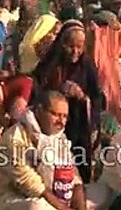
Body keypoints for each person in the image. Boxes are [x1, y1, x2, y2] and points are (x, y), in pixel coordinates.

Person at [35, 20, 102, 182]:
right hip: (53, 128)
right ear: (61, 44)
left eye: (79, 47)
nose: (75, 51)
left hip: (79, 127)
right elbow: (37, 93)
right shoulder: (48, 66)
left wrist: (81, 96)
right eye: (70, 46)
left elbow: (98, 98)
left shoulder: (87, 66)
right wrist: (58, 92)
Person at [0, 91, 86, 210]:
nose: (61, 121)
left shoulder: (60, 138)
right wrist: (62, 207)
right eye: (56, 114)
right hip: (17, 197)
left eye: (64, 116)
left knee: (97, 195)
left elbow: (73, 173)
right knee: (37, 207)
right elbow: (27, 181)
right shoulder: (15, 136)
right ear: (39, 111)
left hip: (56, 198)